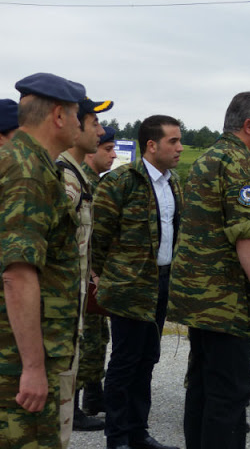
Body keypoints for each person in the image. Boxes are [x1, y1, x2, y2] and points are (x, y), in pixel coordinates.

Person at [168, 91, 250, 449]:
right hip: (226, 299)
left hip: (200, 297)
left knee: (202, 384)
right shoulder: (239, 163)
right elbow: (246, 233)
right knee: (230, 393)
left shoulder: (208, 158)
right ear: (249, 125)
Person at [0, 72, 86, 448]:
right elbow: (18, 274)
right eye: (77, 113)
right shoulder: (29, 172)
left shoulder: (20, 160)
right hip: (19, 355)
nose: (81, 123)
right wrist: (34, 368)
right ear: (58, 116)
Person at [92, 115, 183, 449]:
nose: (179, 148)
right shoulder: (120, 182)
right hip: (129, 288)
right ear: (151, 145)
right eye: (173, 141)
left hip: (161, 283)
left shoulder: (173, 183)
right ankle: (117, 438)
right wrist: (111, 277)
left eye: (179, 140)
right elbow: (97, 238)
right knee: (125, 362)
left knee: (148, 360)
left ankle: (138, 432)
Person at [57, 96, 113, 433]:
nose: (101, 130)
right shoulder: (61, 176)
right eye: (93, 122)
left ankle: (82, 401)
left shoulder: (77, 177)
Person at [78, 125, 116, 419]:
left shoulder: (97, 183)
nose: (114, 155)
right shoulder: (81, 182)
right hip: (82, 275)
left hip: (94, 275)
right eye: (108, 149)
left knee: (97, 336)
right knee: (84, 338)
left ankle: (93, 394)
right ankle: (76, 404)